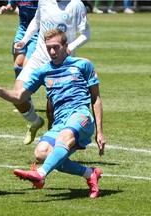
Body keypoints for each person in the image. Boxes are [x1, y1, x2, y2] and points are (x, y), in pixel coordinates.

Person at [0, 28, 106, 198]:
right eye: (48, 48)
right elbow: (19, 97)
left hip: (80, 116)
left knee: (64, 137)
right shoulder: (43, 71)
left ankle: (40, 175)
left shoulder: (83, 64)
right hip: (61, 121)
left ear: (66, 46)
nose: (52, 52)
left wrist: (100, 132)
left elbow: (96, 98)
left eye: (56, 47)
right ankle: (89, 174)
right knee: (42, 153)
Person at [11, 0, 90, 145]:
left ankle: (51, 148)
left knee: (53, 113)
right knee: (17, 96)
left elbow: (86, 34)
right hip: (38, 58)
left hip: (61, 63)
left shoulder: (76, 5)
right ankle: (35, 122)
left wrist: (70, 47)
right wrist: (24, 40)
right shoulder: (44, 1)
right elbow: (37, 21)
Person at [0, 1, 38, 85]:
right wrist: (6, 8)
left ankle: (22, 94)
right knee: (18, 66)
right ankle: (24, 97)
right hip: (22, 31)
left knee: (26, 67)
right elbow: (12, 5)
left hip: (36, 32)